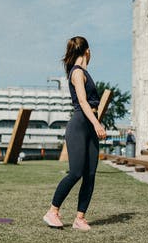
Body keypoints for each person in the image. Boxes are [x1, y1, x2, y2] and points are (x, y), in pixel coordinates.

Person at [43, 36, 107, 231]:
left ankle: (80, 218)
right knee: (76, 172)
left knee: (90, 174)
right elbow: (83, 102)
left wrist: (95, 123)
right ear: (87, 51)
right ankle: (52, 211)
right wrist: (97, 123)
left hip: (89, 125)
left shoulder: (85, 72)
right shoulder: (77, 72)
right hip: (80, 124)